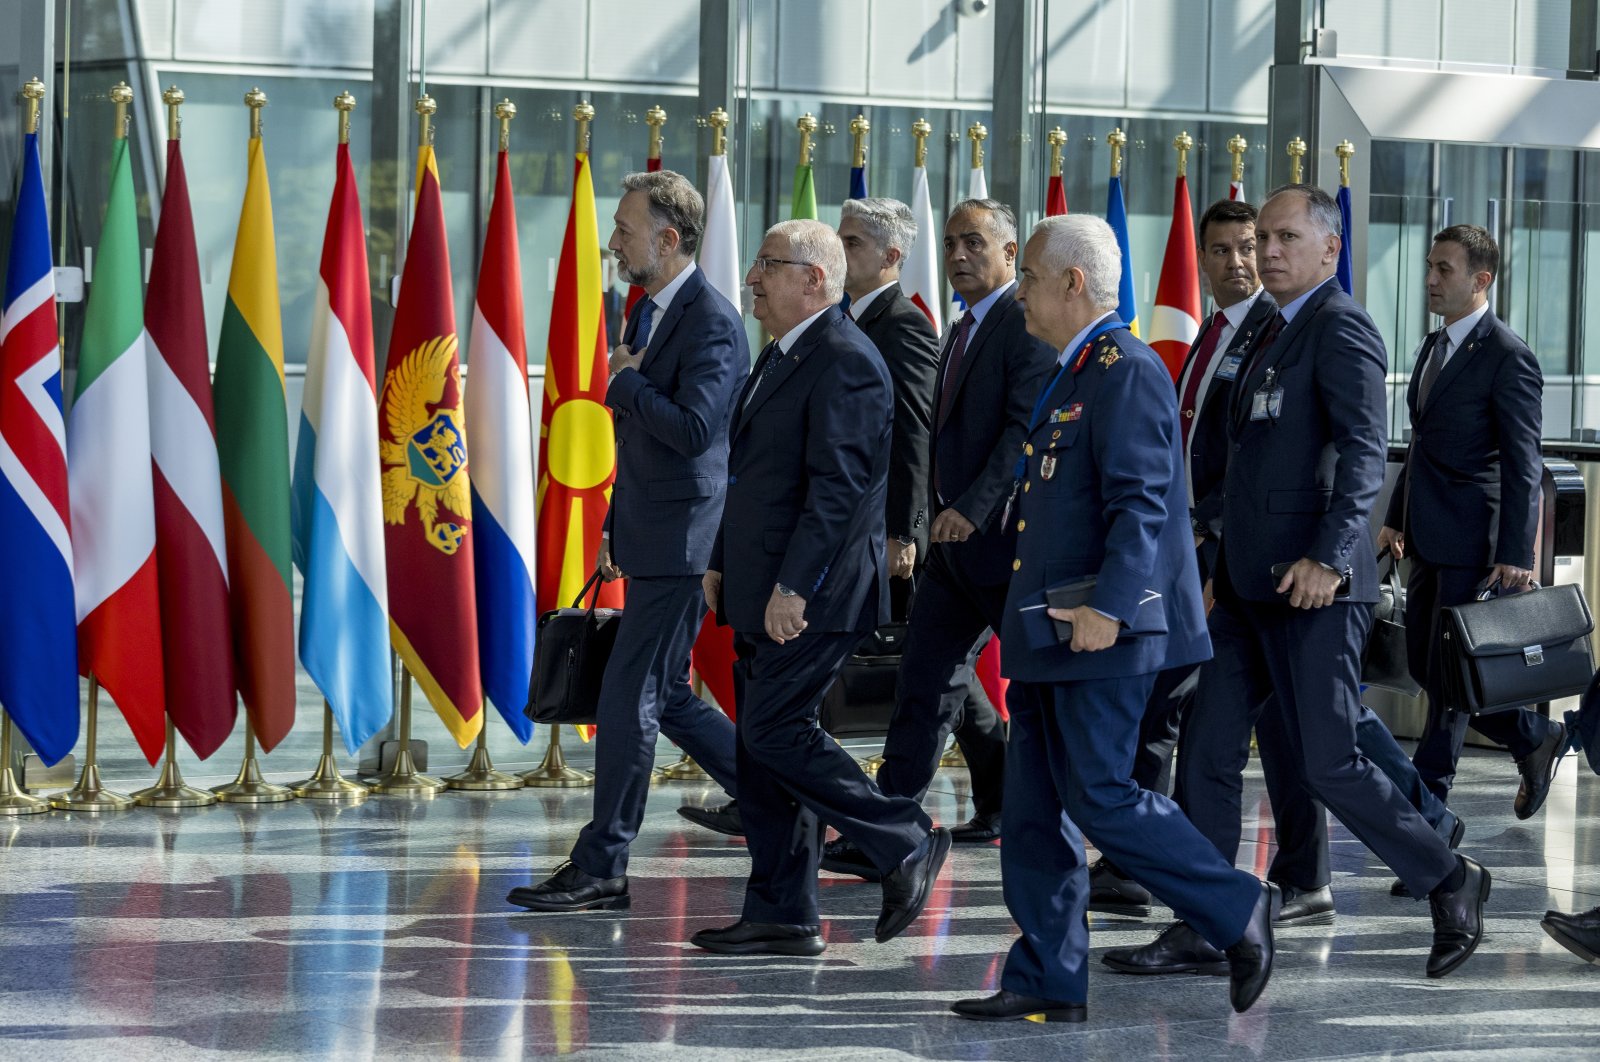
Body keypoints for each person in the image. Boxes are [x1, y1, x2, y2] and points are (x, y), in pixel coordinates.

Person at [1109, 185, 1490, 981]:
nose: (1266, 253)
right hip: (1247, 588)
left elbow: (1362, 449)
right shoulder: (1268, 331)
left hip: (1315, 586)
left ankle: (1451, 877)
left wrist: (1330, 553)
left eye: (1284, 239)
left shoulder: (1341, 324)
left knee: (1327, 761)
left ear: (1329, 247)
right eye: (1262, 240)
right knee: (1207, 752)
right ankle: (1213, 921)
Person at [950, 214, 1273, 1024]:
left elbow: (1144, 500)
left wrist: (1110, 606)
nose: (1017, 289)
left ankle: (1236, 908)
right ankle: (1048, 975)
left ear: (1073, 282)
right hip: (1046, 629)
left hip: (1099, 628)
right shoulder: (1071, 368)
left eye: (1028, 276)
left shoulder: (1123, 366)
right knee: (1031, 811)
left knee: (1100, 794)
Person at [689, 220, 948, 958]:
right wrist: (721, 563)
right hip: (758, 583)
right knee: (759, 749)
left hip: (816, 593)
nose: (751, 280)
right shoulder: (782, 354)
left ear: (815, 278)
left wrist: (793, 588)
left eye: (768, 265)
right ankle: (780, 909)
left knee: (776, 731)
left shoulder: (847, 359)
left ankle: (904, 839)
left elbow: (836, 492)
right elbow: (750, 476)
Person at [507, 170, 746, 913]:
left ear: (668, 239)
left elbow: (697, 429)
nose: (614, 242)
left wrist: (627, 384)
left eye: (625, 229)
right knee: (666, 695)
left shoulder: (711, 321)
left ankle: (603, 862)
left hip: (684, 542)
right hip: (651, 531)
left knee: (628, 698)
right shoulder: (650, 312)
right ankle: (785, 796)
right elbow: (648, 439)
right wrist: (616, 519)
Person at [821, 199, 1055, 880]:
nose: (958, 256)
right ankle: (889, 833)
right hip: (953, 552)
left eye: (974, 243)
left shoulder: (1023, 322)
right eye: (951, 243)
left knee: (1040, 696)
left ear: (1011, 254)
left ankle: (1057, 821)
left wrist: (974, 509)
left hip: (1004, 544)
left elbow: (1024, 429)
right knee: (924, 685)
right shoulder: (959, 326)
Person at [1090, 198, 1290, 919]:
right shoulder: (1209, 332)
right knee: (1177, 716)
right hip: (1190, 554)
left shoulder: (1273, 333)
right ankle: (1137, 864)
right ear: (1199, 257)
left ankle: (1169, 876)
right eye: (1222, 250)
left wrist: (1207, 543)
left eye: (1249, 247)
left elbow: (1249, 459)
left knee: (1209, 722)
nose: (1237, 262)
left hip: (1223, 557)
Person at [1376, 224, 1565, 882]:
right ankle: (1533, 736)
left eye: (1445, 269)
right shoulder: (1435, 344)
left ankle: (1428, 826)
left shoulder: (1508, 355)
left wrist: (1518, 553)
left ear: (1480, 280)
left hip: (1477, 542)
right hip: (1427, 535)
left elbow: (1523, 462)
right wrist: (1396, 519)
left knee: (1450, 685)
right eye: (1430, 266)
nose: (1431, 278)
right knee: (1434, 671)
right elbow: (1420, 441)